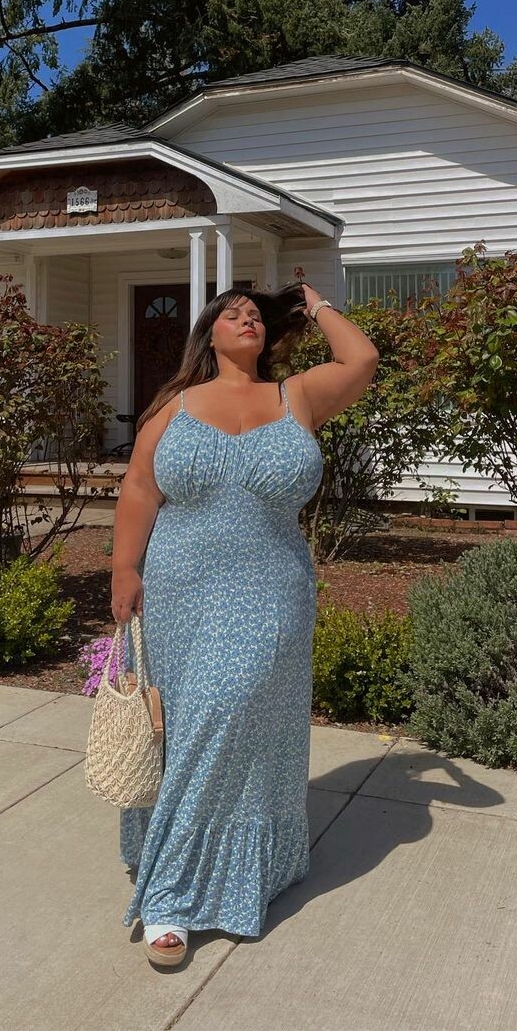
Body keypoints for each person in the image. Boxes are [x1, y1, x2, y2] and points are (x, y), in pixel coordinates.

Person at [109, 278, 379, 967]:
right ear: (209, 333)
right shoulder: (175, 405)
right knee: (188, 727)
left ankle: (195, 882)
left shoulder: (298, 396)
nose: (246, 319)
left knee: (233, 717)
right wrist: (123, 569)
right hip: (179, 591)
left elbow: (362, 359)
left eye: (256, 313)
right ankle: (176, 877)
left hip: (271, 592)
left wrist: (313, 302)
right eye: (232, 314)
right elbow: (139, 487)